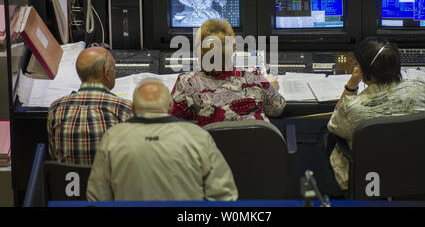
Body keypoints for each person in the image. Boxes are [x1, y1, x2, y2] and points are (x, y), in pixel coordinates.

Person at [87, 79, 238, 201]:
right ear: (171, 106)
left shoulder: (113, 138)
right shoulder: (198, 136)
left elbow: (97, 197)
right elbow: (224, 194)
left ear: (133, 108)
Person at [327, 37, 425, 191]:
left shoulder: (352, 107)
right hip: (423, 175)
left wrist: (351, 84)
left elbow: (333, 125)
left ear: (365, 73)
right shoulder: (422, 89)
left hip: (373, 183)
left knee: (329, 138)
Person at [171, 19, 286, 127]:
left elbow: (172, 121)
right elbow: (277, 109)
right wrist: (272, 87)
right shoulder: (253, 77)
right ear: (234, 48)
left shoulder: (186, 82)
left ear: (198, 51)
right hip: (252, 147)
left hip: (208, 147)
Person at [47, 46, 132, 164]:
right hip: (110, 182)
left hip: (67, 181)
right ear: (107, 73)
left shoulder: (56, 109)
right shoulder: (125, 110)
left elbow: (54, 155)